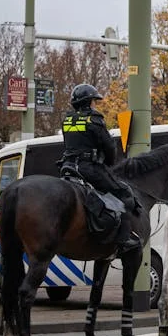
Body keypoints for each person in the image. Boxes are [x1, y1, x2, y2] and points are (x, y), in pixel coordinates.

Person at [59, 83, 141, 255]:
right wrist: (109, 162)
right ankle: (124, 239)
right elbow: (109, 146)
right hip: (88, 168)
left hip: (67, 167)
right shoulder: (94, 119)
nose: (95, 104)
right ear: (89, 102)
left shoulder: (67, 120)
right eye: (94, 101)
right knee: (124, 194)